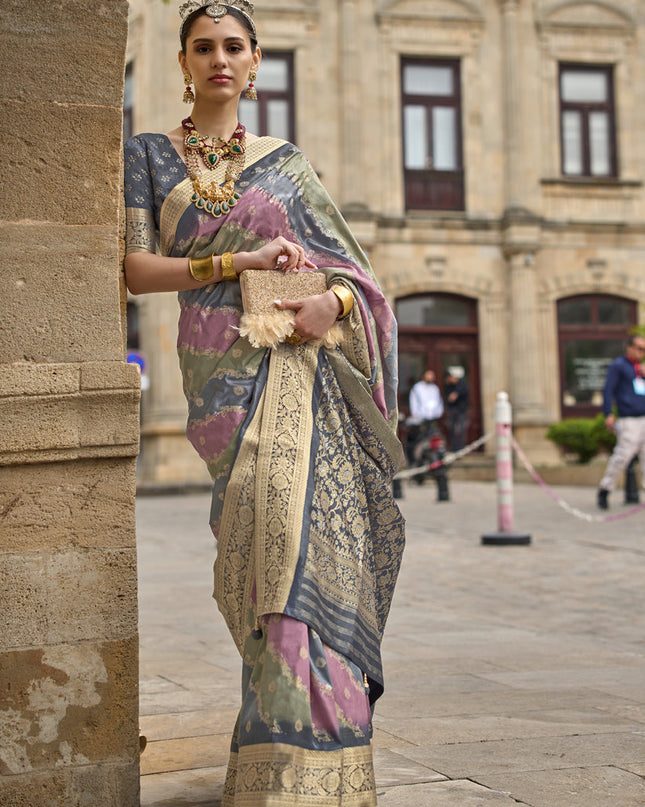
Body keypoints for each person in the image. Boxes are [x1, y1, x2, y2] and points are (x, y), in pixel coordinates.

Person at [123, 2, 405, 804]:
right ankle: (276, 750)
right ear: (182, 61)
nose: (219, 58)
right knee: (250, 558)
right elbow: (137, 270)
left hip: (295, 372)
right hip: (217, 382)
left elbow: (359, 277)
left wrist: (335, 308)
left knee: (293, 544)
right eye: (203, 46)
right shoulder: (148, 154)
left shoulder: (288, 164)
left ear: (255, 63)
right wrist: (235, 261)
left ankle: (311, 763)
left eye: (234, 47)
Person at [597, 333, 645, 509]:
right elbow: (608, 390)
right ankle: (605, 489)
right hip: (629, 419)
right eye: (640, 348)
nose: (642, 352)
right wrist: (608, 413)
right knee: (622, 457)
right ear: (630, 348)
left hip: (644, 417)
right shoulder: (619, 366)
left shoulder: (641, 368)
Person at [405, 369, 443, 464]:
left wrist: (438, 413)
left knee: (433, 438)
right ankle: (414, 460)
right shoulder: (417, 388)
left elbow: (438, 401)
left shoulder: (434, 388)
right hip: (420, 419)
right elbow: (414, 403)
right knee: (418, 439)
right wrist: (417, 415)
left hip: (432, 418)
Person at [444, 366, 470, 451]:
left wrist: (456, 394)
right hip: (452, 410)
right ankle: (453, 448)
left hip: (461, 410)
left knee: (461, 430)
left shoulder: (462, 385)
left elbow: (465, 392)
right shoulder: (449, 385)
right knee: (452, 429)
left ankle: (460, 448)